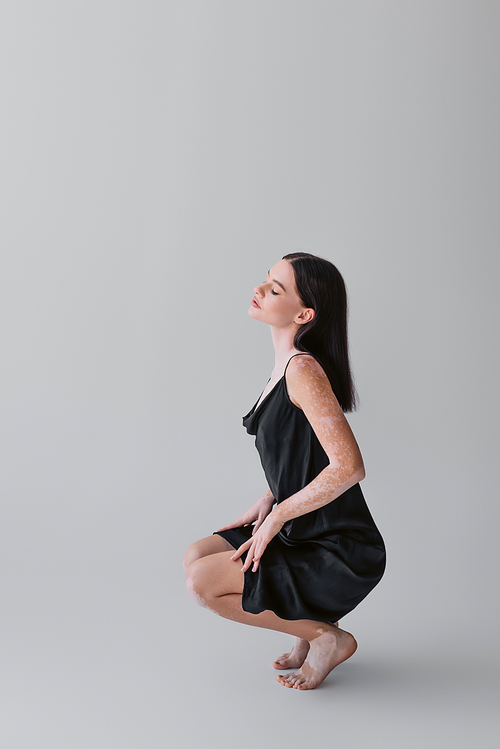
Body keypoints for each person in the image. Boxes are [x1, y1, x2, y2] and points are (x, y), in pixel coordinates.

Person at [183, 252, 386, 690]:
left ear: (304, 313)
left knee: (203, 583)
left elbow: (350, 467)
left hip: (336, 544)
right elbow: (299, 454)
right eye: (266, 280)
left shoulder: (303, 369)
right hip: (299, 524)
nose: (259, 290)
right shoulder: (284, 367)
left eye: (275, 289)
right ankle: (306, 629)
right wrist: (270, 497)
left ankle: (326, 637)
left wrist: (277, 517)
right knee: (196, 555)